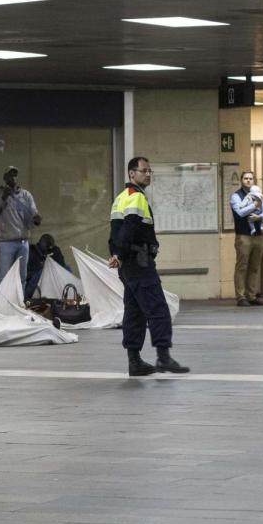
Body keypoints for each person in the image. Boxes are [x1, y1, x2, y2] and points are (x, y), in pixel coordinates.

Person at [109, 157, 190, 377]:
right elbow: (129, 230)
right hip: (139, 262)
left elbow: (115, 232)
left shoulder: (120, 199)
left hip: (127, 265)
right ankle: (163, 357)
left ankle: (134, 362)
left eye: (149, 171)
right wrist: (121, 252)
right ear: (131, 174)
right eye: (143, 171)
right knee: (158, 309)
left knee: (134, 312)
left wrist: (116, 254)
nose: (148, 174)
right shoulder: (137, 199)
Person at [0, 165, 41, 287]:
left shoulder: (25, 195)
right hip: (6, 243)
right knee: (4, 277)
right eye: (10, 175)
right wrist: (3, 197)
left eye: (15, 175)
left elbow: (34, 213)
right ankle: (2, 305)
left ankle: (19, 303)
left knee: (22, 278)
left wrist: (36, 218)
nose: (13, 177)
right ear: (4, 178)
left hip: (23, 242)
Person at [229, 171, 263, 307]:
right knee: (242, 266)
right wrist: (255, 205)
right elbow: (240, 213)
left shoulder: (259, 194)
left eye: (251, 178)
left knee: (255, 267)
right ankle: (241, 297)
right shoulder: (236, 196)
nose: (248, 180)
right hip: (244, 236)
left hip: (258, 235)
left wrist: (260, 217)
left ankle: (251, 296)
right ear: (241, 180)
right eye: (245, 178)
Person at [25, 233, 71, 299]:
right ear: (41, 243)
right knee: (42, 272)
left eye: (50, 247)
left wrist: (55, 253)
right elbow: (26, 274)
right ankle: (27, 298)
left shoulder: (54, 250)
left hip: (52, 279)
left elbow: (61, 266)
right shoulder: (31, 251)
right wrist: (42, 268)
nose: (48, 250)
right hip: (34, 281)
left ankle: (69, 294)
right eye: (47, 247)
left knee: (67, 268)